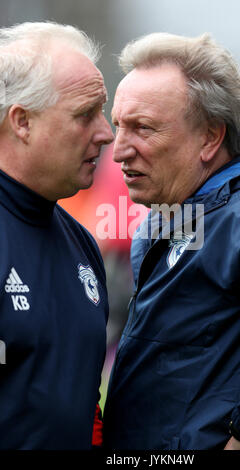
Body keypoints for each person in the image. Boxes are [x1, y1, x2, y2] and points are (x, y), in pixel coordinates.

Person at [103, 32, 240, 450]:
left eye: (143, 128)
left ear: (210, 138)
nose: (118, 150)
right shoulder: (175, 214)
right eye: (118, 125)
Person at [0, 21, 114, 449]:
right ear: (22, 121)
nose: (106, 133)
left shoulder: (83, 245)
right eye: (85, 115)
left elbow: (85, 407)